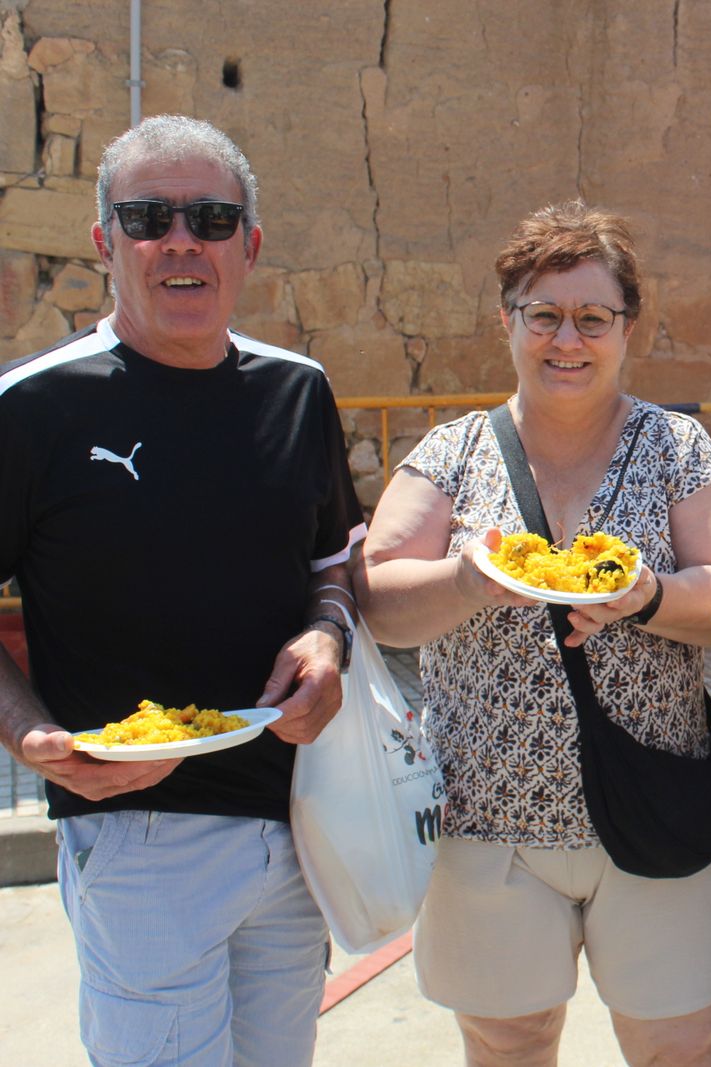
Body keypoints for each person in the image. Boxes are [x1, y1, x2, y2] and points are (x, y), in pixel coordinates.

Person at [354, 201, 711, 1067]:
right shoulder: (454, 452)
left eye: (592, 318)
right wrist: (467, 580)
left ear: (627, 327)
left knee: (681, 1046)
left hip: (651, 810)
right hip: (486, 820)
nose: (566, 340)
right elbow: (381, 595)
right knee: (508, 1046)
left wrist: (649, 597)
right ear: (507, 320)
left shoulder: (677, 448)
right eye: (543, 315)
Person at [0, 115, 364, 1065]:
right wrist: (27, 733)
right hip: (135, 830)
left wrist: (328, 637)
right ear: (104, 242)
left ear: (249, 246)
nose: (180, 241)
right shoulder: (33, 406)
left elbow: (332, 564)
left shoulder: (299, 391)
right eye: (147, 218)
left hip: (297, 825)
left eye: (210, 218)